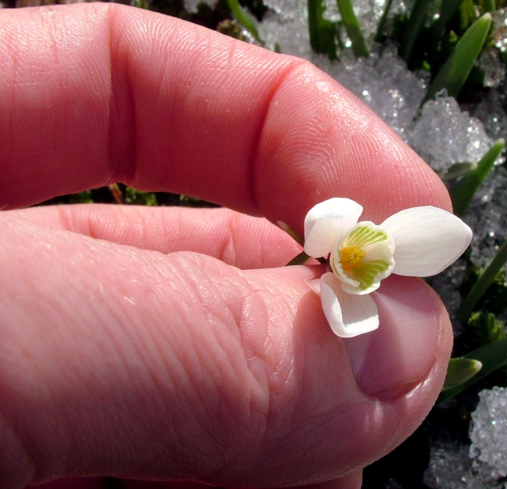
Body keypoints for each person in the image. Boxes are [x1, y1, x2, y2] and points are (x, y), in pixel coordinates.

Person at [0, 3, 454, 488]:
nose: (352, 257)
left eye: (353, 258)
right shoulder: (330, 234)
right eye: (348, 254)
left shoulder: (347, 263)